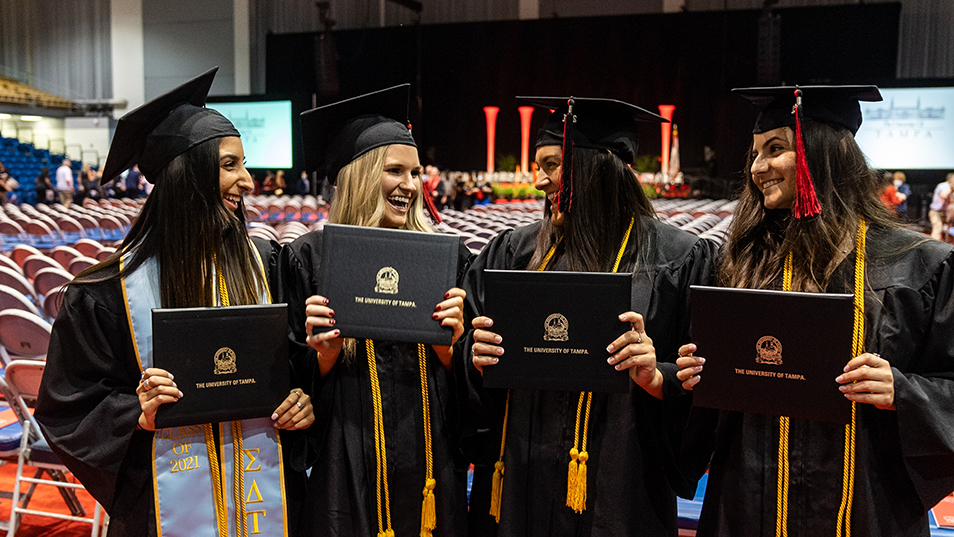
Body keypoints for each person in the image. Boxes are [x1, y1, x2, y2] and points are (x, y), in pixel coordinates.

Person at [35, 68, 313, 537]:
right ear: (187, 176)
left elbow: (298, 366)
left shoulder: (269, 265)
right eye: (229, 165)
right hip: (162, 512)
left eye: (244, 164)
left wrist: (304, 399)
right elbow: (67, 408)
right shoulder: (105, 295)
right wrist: (135, 415)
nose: (248, 180)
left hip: (268, 500)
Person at [676, 86, 954, 536]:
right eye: (754, 153)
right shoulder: (741, 261)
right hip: (747, 501)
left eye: (775, 149)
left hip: (865, 506)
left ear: (823, 153)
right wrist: (694, 374)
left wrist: (901, 391)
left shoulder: (919, 265)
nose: (757, 167)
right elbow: (711, 413)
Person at [461, 97, 716, 537]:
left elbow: (708, 383)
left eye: (552, 164)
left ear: (597, 167)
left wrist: (660, 378)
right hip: (520, 482)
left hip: (620, 486)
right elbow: (462, 365)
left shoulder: (680, 260)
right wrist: (473, 357)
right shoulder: (510, 254)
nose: (538, 181)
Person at [277, 84, 472, 537]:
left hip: (430, 456)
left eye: (415, 173)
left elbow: (477, 390)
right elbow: (288, 385)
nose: (410, 185)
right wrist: (323, 357)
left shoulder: (448, 259)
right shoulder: (308, 259)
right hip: (344, 460)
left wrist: (452, 347)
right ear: (361, 176)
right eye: (395, 171)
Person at [929, 173, 954, 241]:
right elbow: (943, 196)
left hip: (946, 212)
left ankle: (948, 247)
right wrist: (951, 189)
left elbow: (951, 202)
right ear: (951, 179)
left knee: (948, 229)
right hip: (936, 212)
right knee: (937, 227)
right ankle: (934, 247)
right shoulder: (943, 186)